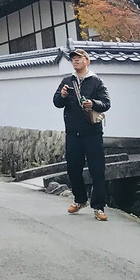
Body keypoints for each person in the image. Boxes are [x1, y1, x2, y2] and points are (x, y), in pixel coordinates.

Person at [53, 47, 111, 220]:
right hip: (72, 133)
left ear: (87, 61)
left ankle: (99, 207)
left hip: (92, 133)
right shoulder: (67, 81)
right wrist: (62, 95)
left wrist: (92, 103)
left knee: (97, 170)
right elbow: (56, 102)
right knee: (73, 169)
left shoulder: (96, 81)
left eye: (79, 58)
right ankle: (80, 199)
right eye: (73, 58)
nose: (75, 60)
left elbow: (106, 103)